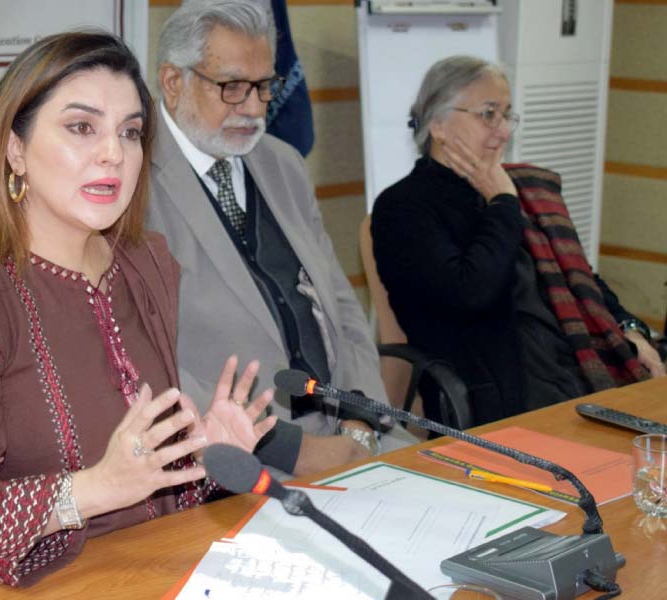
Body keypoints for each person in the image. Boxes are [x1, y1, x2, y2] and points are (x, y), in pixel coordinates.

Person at [0, 31, 277, 587]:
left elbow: (149, 492)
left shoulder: (145, 264)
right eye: (81, 127)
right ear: (14, 148)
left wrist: (203, 457)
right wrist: (88, 490)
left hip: (166, 567)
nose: (113, 152)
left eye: (131, 132)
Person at [146, 0, 417, 478]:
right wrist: (295, 451)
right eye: (232, 87)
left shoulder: (282, 162)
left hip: (351, 432)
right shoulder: (131, 184)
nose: (253, 108)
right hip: (239, 458)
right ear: (173, 82)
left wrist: (359, 421)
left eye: (264, 86)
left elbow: (342, 306)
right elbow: (142, 362)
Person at [372, 55, 665, 427]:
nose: (504, 131)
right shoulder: (404, 208)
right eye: (488, 114)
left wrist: (628, 329)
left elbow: (580, 279)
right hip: (505, 396)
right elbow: (472, 292)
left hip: (579, 371)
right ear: (438, 125)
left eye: (507, 115)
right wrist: (503, 205)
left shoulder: (518, 187)